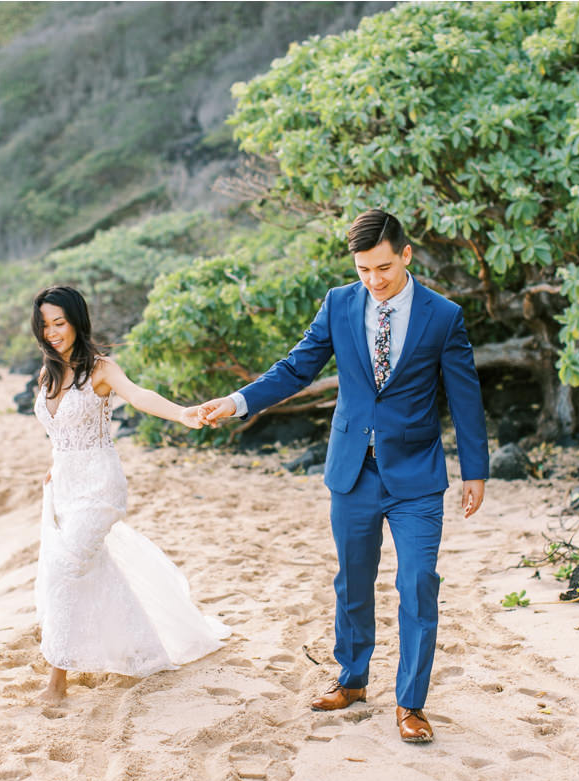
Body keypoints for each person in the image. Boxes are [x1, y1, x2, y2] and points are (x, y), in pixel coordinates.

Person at [198, 210, 489, 744]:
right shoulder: (339, 303)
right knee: (353, 581)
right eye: (363, 270)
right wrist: (239, 402)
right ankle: (353, 679)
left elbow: (465, 396)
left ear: (406, 255)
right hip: (352, 471)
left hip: (418, 476)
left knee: (418, 582)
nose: (374, 281)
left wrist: (476, 470)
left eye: (383, 267)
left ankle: (410, 704)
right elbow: (295, 368)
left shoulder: (443, 316)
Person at [31, 285, 228, 705]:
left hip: (99, 487)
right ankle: (139, 646)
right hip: (62, 487)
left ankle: (56, 680)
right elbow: (59, 430)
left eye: (59, 323)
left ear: (76, 321)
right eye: (45, 325)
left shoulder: (100, 369)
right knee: (84, 569)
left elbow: (138, 396)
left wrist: (182, 413)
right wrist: (55, 464)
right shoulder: (48, 372)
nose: (52, 332)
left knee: (66, 568)